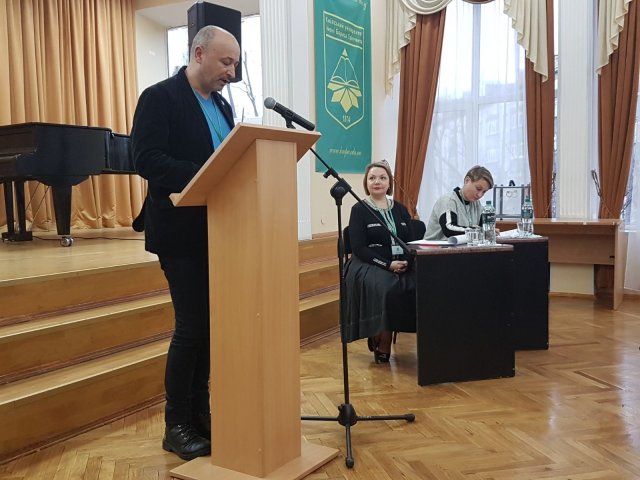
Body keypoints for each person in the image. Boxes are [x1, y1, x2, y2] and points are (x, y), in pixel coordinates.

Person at [131, 26, 240, 461]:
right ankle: (175, 425)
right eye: (226, 62)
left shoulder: (223, 106)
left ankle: (200, 414)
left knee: (209, 328)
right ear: (198, 53)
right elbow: (145, 158)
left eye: (235, 64)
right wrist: (205, 173)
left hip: (220, 230)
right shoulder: (160, 97)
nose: (232, 72)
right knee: (192, 327)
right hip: (179, 233)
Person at [344, 161, 417, 363]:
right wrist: (387, 265)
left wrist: (407, 262)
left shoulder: (401, 209)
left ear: (389, 183)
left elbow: (411, 242)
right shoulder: (359, 209)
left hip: (400, 261)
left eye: (382, 178)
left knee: (419, 284)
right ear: (366, 183)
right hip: (368, 262)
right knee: (388, 287)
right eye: (372, 178)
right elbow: (359, 248)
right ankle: (383, 337)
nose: (377, 181)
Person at [424, 165, 494, 241]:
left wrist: (489, 232)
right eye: (478, 189)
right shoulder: (449, 200)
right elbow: (449, 229)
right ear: (467, 181)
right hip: (433, 246)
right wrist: (478, 231)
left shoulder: (477, 204)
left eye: (484, 192)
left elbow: (483, 228)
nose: (480, 195)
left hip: (461, 246)